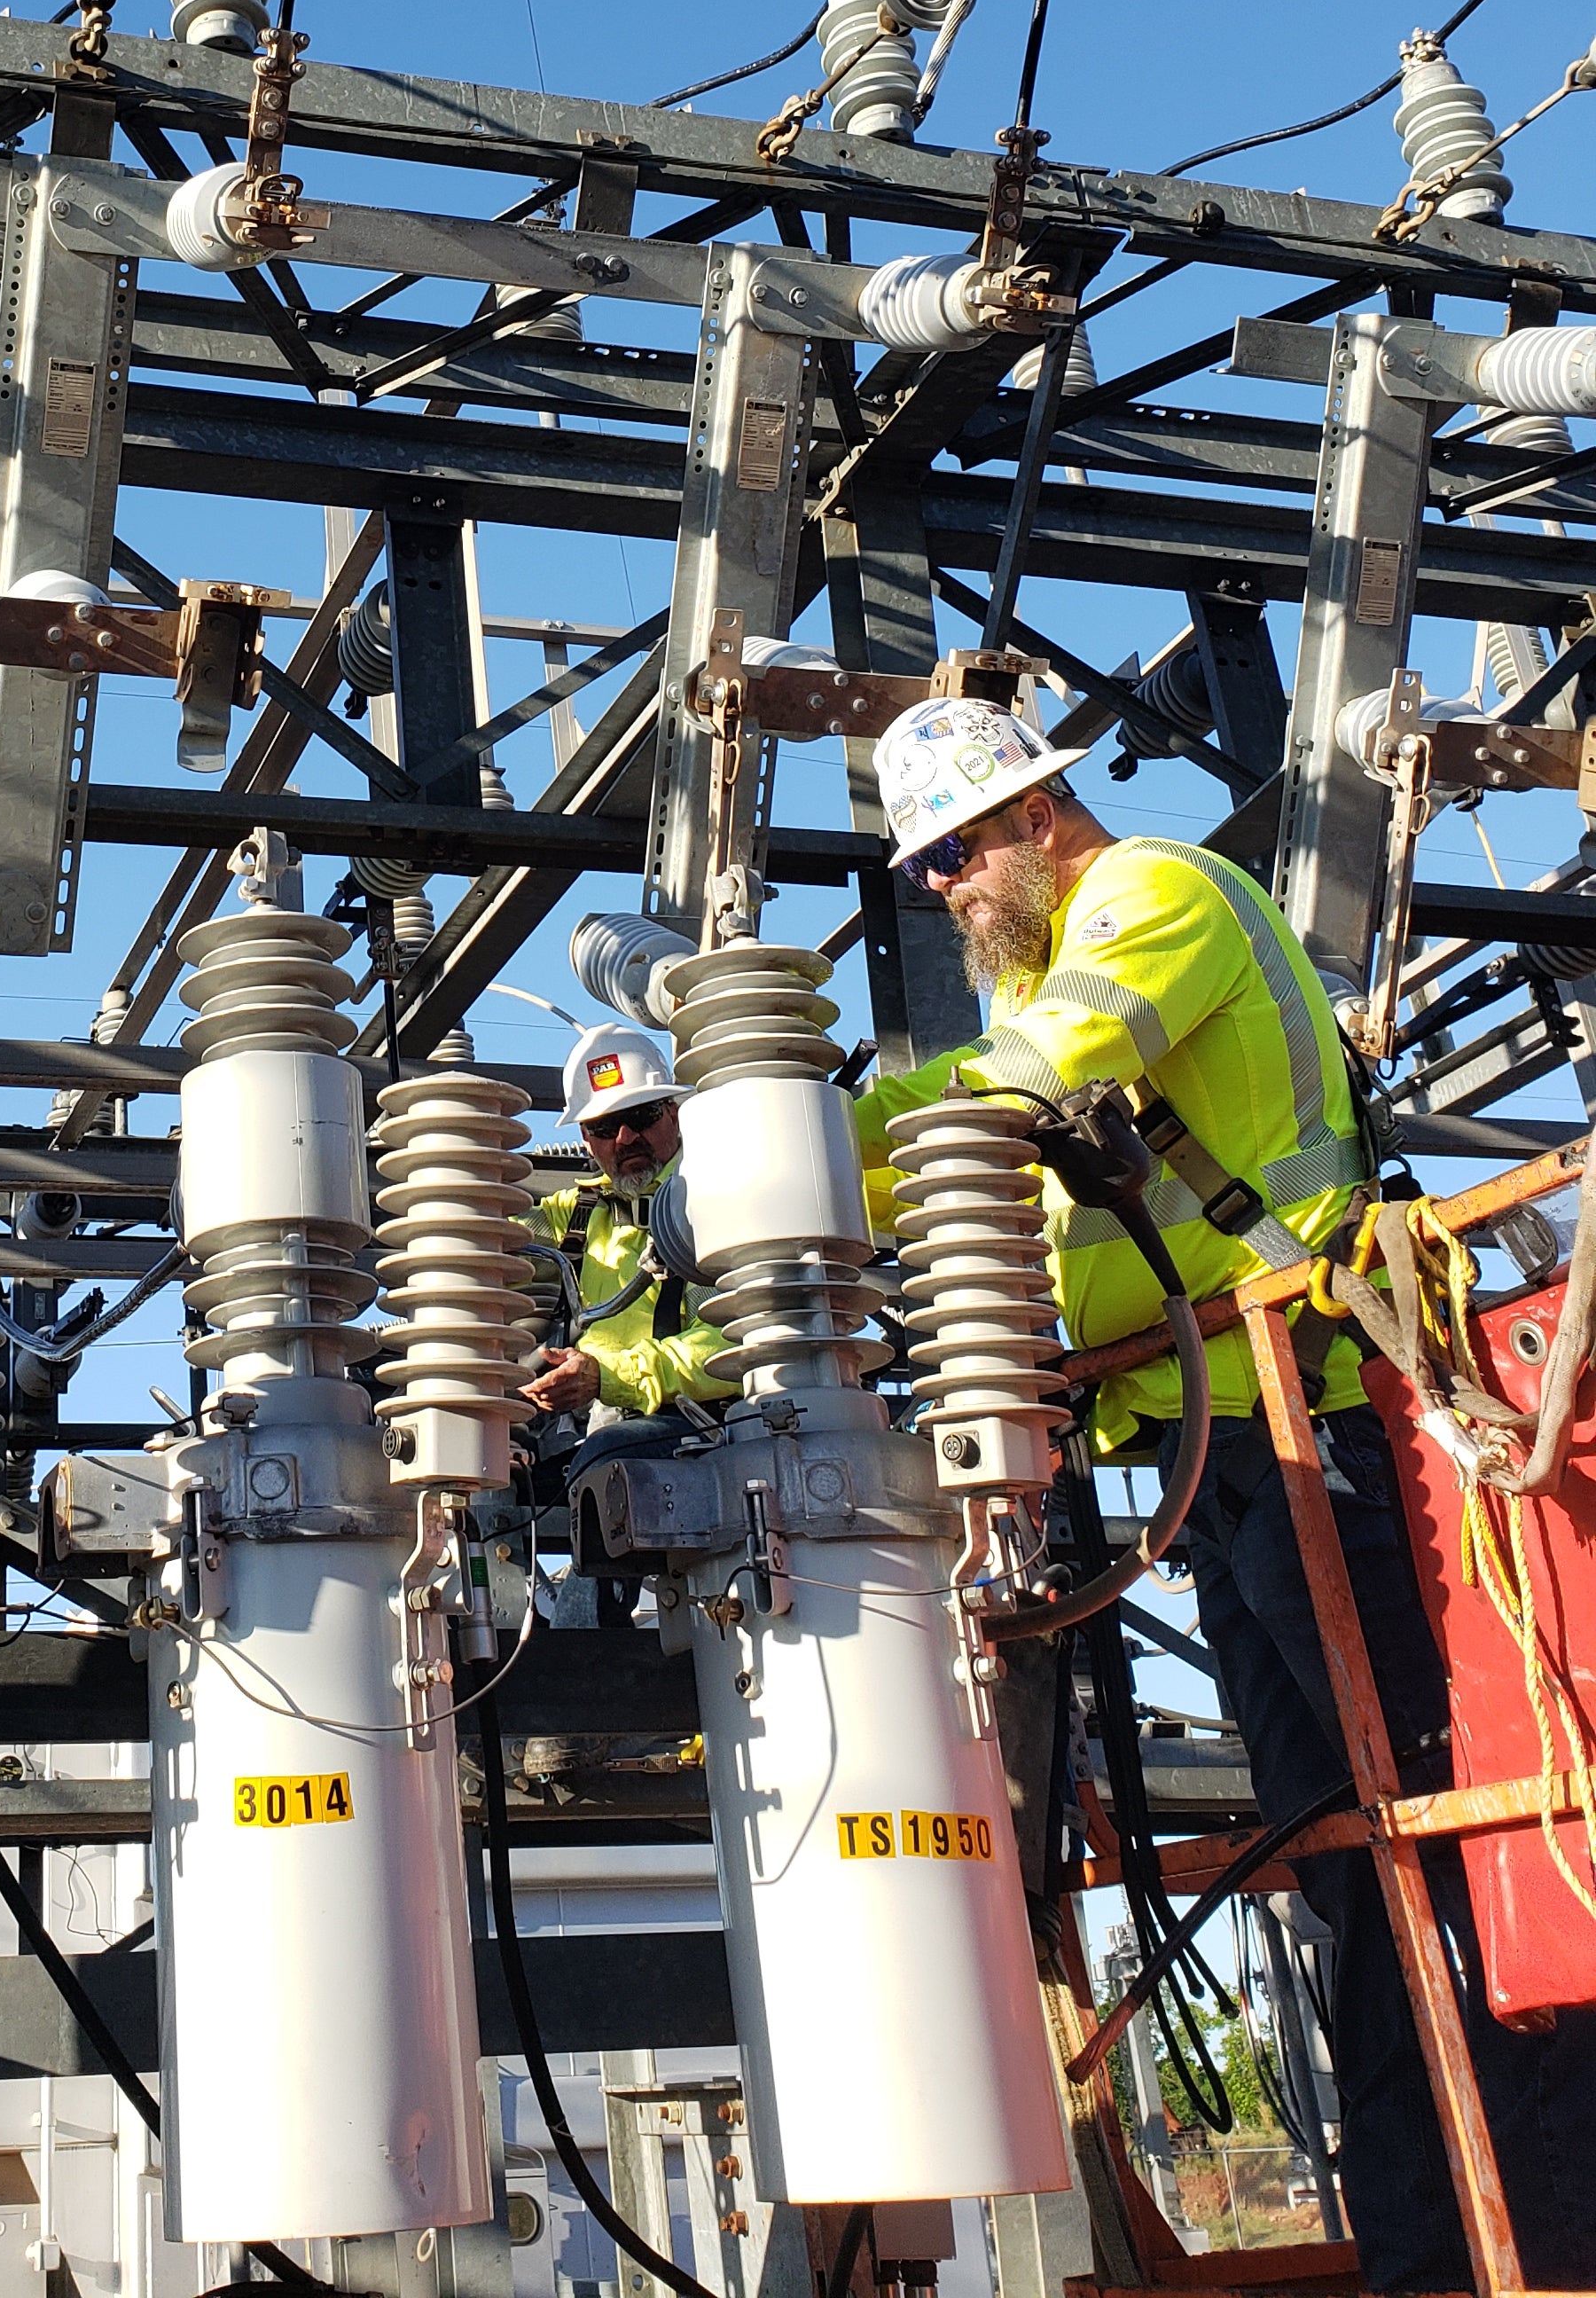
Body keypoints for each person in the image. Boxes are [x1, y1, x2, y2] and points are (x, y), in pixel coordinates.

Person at [856, 693, 1596, 2295]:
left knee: (1429, 1861)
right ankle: (1432, 2249)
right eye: (920, 866)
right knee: (1348, 1874)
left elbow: (1039, 1073)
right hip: (1231, 1458)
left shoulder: (1154, 898)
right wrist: (797, 1143)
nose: (938, 886)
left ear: (1035, 810)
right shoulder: (1055, 952)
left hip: (1320, 1419)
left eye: (953, 850)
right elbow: (981, 1087)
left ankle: (1523, 2239)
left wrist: (843, 1141)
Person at [520, 1023, 732, 1465]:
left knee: (604, 1458)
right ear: (585, 1138)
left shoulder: (717, 1200)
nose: (625, 1138)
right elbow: (489, 1238)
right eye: (603, 1125)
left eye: (642, 1116)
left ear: (674, 1112)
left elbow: (736, 1342)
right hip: (611, 1425)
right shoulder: (582, 1210)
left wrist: (610, 1375)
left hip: (703, 1429)